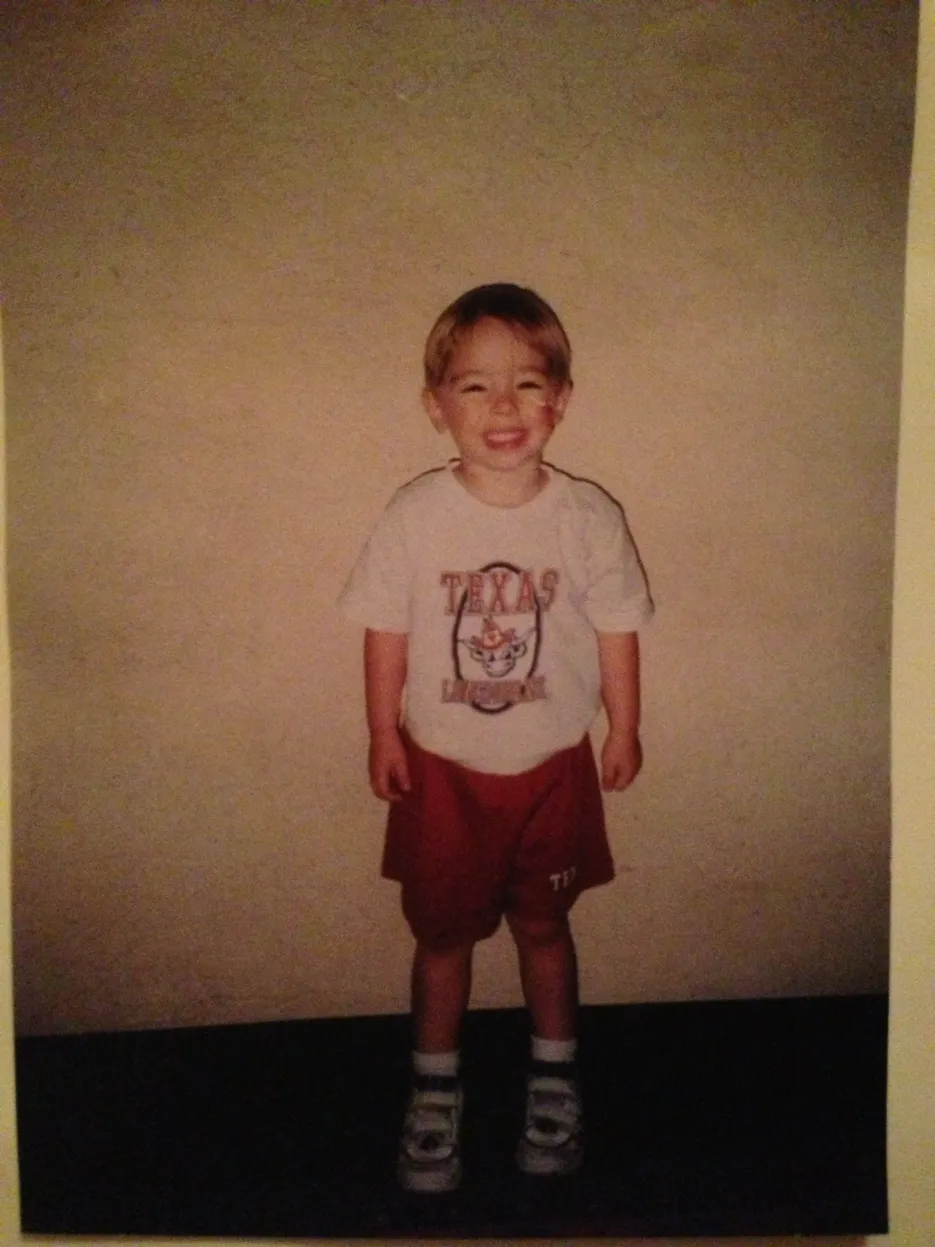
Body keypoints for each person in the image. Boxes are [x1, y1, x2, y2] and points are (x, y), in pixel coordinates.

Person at [338, 283, 653, 1193]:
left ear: (560, 398)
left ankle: (554, 1074)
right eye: (474, 387)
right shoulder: (414, 514)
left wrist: (623, 726)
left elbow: (618, 624)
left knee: (545, 924)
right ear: (436, 407)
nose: (503, 406)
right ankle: (434, 1089)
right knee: (441, 936)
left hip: (553, 766)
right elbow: (383, 626)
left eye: (526, 383)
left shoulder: (586, 515)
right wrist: (379, 728)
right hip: (442, 770)